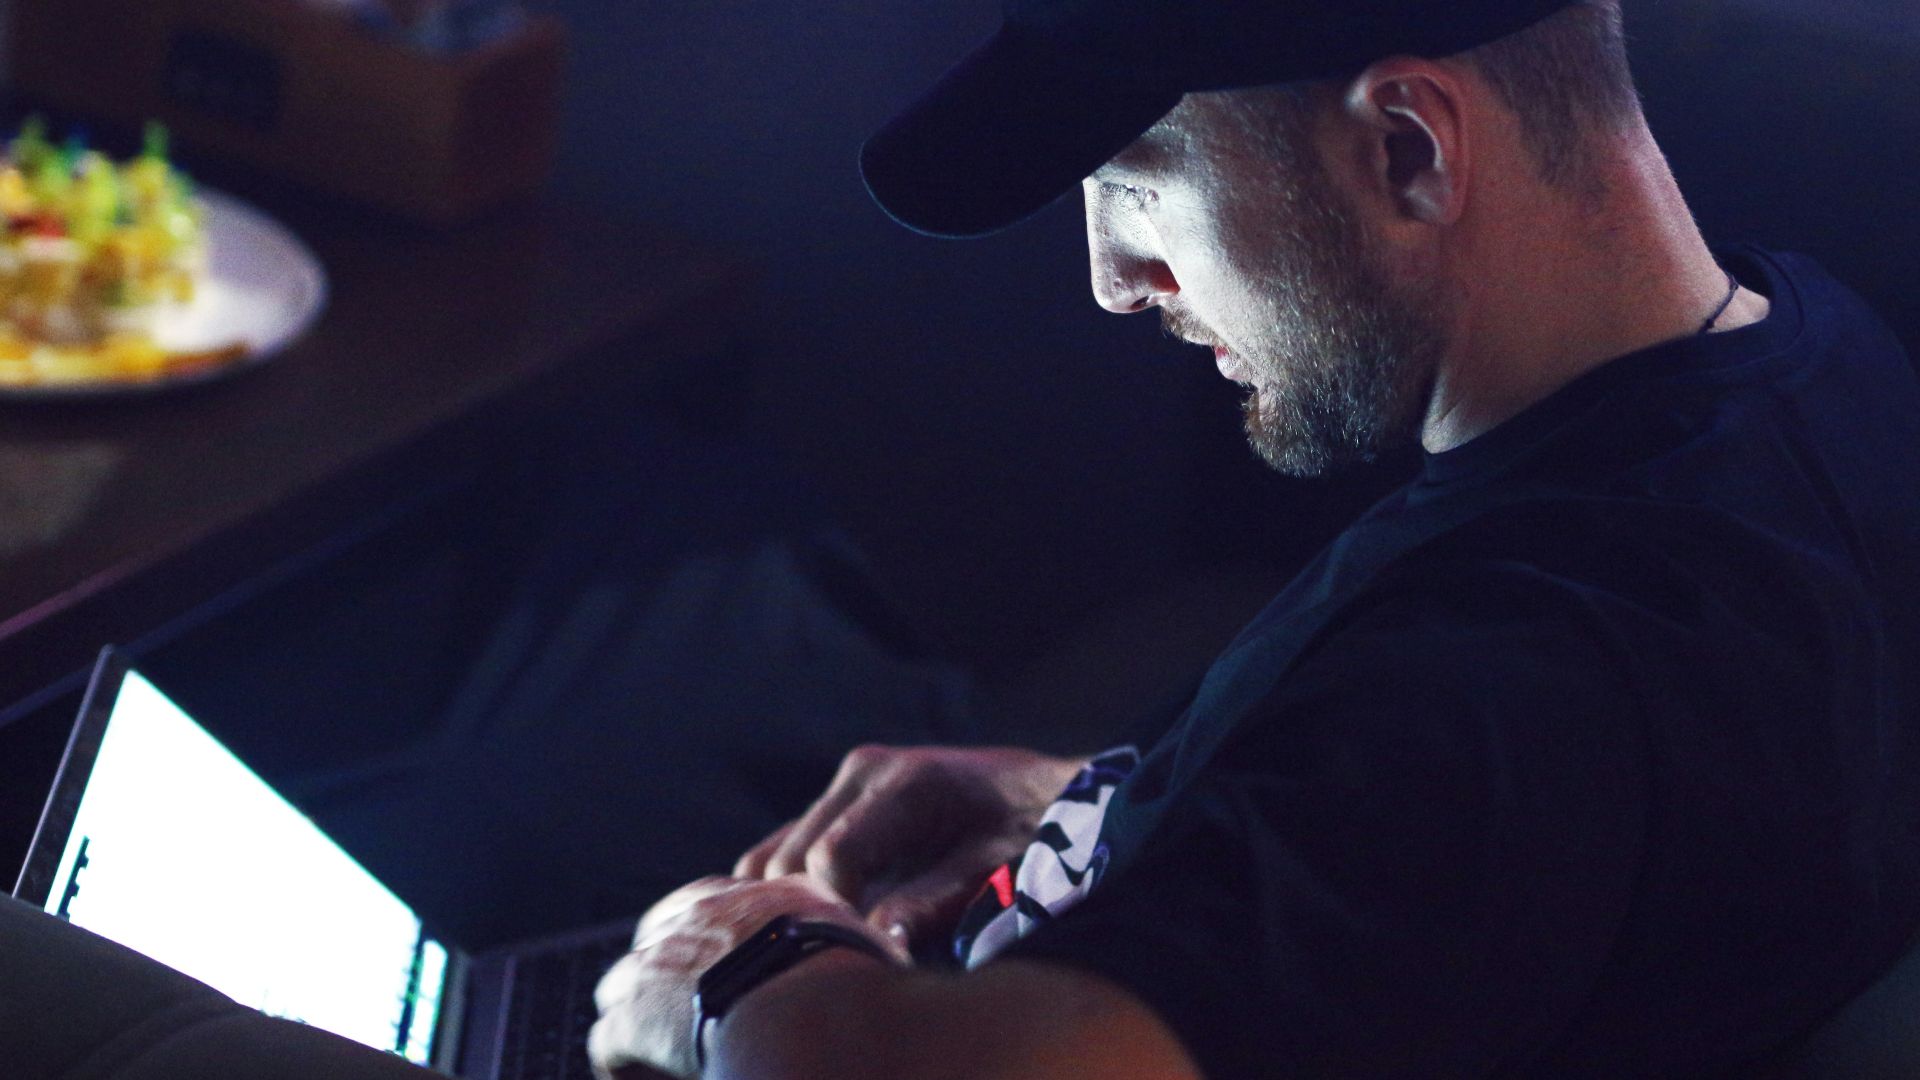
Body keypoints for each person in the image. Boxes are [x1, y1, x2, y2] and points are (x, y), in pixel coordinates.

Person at [589, 0, 1920, 1076]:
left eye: (1138, 182)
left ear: (1411, 147)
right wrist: (1118, 800)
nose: (1114, 279)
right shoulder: (1806, 360)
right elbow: (1479, 868)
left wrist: (743, 981)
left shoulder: (1521, 679)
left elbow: (1470, 771)